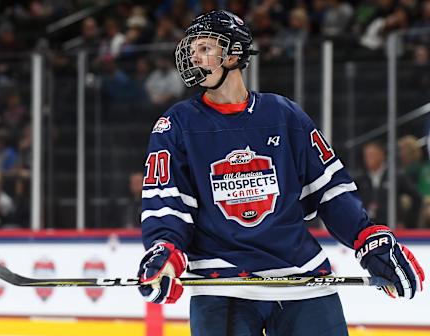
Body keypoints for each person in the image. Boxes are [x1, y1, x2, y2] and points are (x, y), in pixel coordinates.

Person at [136, 10, 425, 336]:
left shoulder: (284, 115)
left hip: (302, 279)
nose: (193, 56)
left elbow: (330, 189)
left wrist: (368, 239)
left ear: (233, 54)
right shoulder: (176, 125)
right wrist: (165, 251)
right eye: (192, 49)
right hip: (223, 284)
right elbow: (167, 203)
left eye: (204, 48)